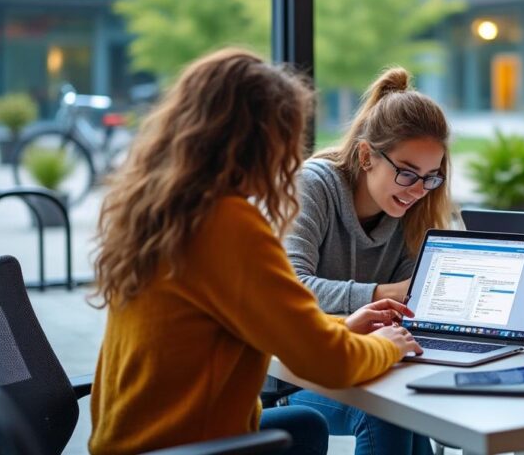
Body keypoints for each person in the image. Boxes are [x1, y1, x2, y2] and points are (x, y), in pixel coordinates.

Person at [88, 49, 422, 455]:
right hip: (186, 445)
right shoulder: (228, 224)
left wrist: (341, 326)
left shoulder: (165, 212)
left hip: (132, 441)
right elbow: (325, 364)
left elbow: (281, 323)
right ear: (264, 143)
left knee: (304, 424)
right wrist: (390, 345)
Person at [284, 67, 453, 455]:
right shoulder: (314, 185)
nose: (418, 191)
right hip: (297, 378)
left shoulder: (415, 210)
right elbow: (293, 287)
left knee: (407, 417)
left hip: (373, 363)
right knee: (389, 414)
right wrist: (381, 293)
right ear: (366, 156)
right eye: (408, 173)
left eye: (431, 177)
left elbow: (412, 307)